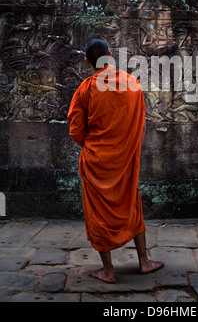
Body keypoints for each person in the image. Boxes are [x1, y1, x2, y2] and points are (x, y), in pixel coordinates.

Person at [68, 39, 163, 283]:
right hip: (125, 160)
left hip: (96, 163)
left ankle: (108, 271)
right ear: (110, 55)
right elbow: (139, 121)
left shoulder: (85, 89)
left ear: (88, 62)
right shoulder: (132, 83)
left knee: (97, 214)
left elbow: (76, 130)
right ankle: (144, 261)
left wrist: (96, 147)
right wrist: (124, 146)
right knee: (132, 204)